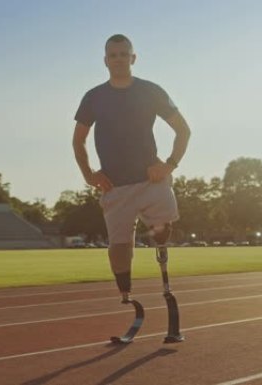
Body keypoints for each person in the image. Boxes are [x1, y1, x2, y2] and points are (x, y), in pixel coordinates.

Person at [72, 34, 191, 302]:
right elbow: (78, 140)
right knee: (119, 247)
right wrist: (89, 174)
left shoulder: (151, 91)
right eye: (113, 55)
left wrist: (169, 165)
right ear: (105, 61)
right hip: (115, 186)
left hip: (151, 180)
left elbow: (183, 130)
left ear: (133, 58)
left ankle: (160, 250)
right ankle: (126, 293)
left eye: (124, 54)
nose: (118, 59)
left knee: (163, 225)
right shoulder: (93, 97)